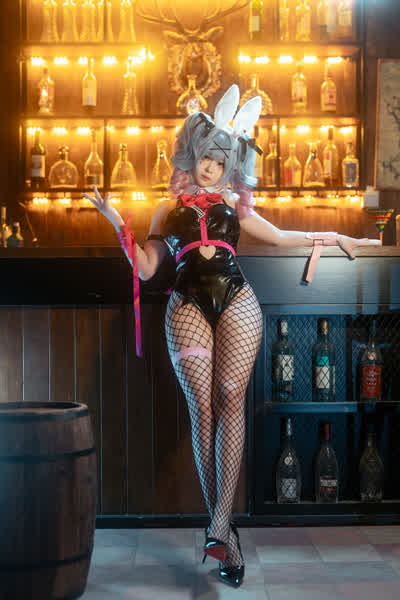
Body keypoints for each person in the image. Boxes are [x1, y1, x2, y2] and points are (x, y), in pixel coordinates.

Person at [83, 84, 381, 588]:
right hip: (186, 302)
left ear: (230, 166)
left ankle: (220, 527)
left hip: (237, 297)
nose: (211, 168)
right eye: (205, 157)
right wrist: (117, 225)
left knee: (229, 397)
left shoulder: (234, 205)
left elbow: (281, 236)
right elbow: (148, 268)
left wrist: (337, 238)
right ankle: (223, 530)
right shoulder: (165, 209)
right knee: (203, 409)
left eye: (221, 162)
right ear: (192, 153)